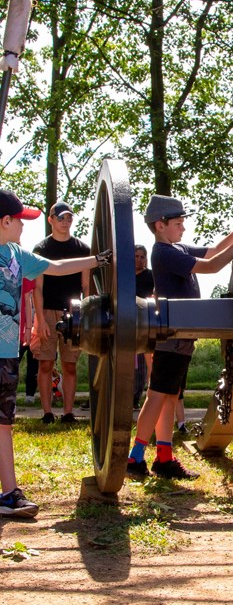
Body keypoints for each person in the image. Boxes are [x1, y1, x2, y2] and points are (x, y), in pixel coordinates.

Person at [126, 195, 233, 480]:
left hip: (182, 337)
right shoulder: (162, 252)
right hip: (171, 336)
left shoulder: (177, 247)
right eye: (178, 223)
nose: (183, 228)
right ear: (160, 225)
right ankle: (134, 458)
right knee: (157, 396)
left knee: (170, 397)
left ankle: (163, 458)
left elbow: (211, 252)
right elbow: (211, 266)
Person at [0, 189, 110, 518]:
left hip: (5, 353)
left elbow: (58, 267)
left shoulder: (18, 255)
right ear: (5, 221)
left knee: (3, 423)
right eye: (21, 221)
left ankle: (9, 493)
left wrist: (97, 259)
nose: (24, 227)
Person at [32, 202, 91, 424]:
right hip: (47, 310)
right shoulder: (41, 249)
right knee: (45, 363)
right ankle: (47, 412)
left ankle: (68, 413)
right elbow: (37, 288)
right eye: (61, 218)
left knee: (69, 365)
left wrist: (85, 315)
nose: (65, 222)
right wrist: (39, 320)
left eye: (69, 218)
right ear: (51, 220)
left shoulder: (83, 249)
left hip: (73, 311)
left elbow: (86, 287)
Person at [134, 244, 154, 410]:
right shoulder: (123, 276)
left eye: (142, 257)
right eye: (136, 256)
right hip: (125, 321)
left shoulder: (150, 276)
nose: (139, 260)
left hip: (144, 321)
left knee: (143, 363)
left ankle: (138, 396)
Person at [19, 278, 38, 402]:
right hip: (21, 328)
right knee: (13, 361)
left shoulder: (37, 284)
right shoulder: (21, 280)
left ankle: (30, 395)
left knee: (34, 364)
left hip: (35, 329)